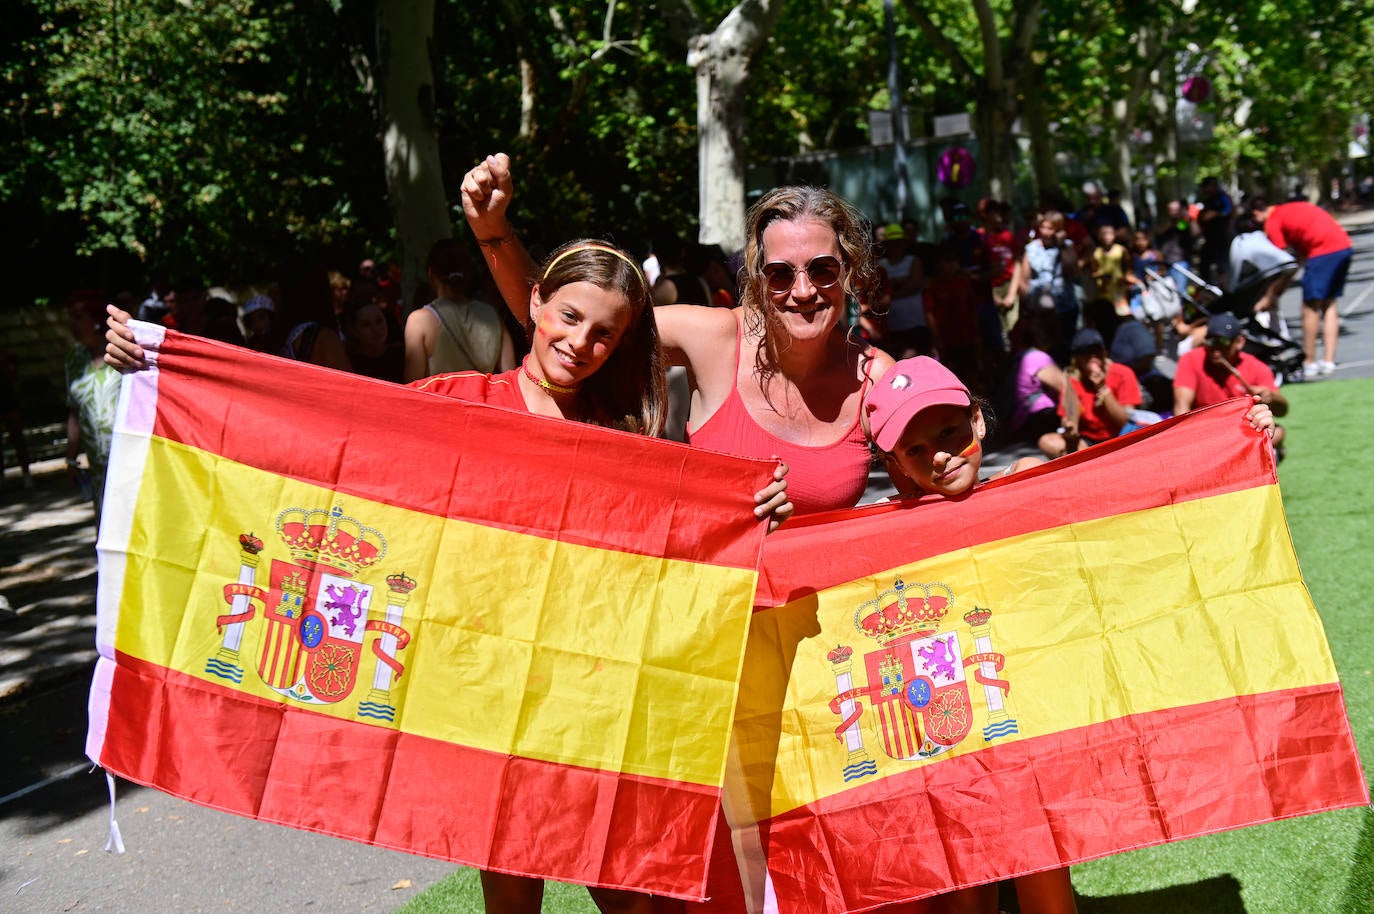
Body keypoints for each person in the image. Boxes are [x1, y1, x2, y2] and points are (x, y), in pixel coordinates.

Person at [105, 238, 792, 914]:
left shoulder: (624, 440)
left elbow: (675, 550)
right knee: (513, 892)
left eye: (605, 333)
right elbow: (331, 437)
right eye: (571, 316)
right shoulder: (452, 404)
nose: (582, 342)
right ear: (535, 303)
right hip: (481, 696)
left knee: (632, 893)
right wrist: (163, 369)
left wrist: (750, 507)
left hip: (588, 698)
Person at [462, 152, 893, 518]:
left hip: (817, 611)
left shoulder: (875, 378)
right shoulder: (715, 338)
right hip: (708, 607)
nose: (803, 292)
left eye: (822, 270)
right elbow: (569, 327)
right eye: (779, 274)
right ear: (758, 280)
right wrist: (493, 231)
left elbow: (944, 476)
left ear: (849, 271)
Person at [1248, 197, 1353, 377]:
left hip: (1323, 251)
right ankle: (1327, 361)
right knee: (1329, 304)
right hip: (1343, 246)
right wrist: (1277, 292)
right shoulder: (1289, 209)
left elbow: (1279, 263)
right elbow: (1295, 263)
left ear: (1257, 213)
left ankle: (1309, 361)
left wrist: (1269, 295)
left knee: (1310, 307)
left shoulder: (1273, 221)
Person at [403, 238, 515, 381]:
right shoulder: (492, 316)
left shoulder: (420, 320)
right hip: (483, 403)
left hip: (441, 403)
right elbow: (509, 379)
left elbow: (411, 386)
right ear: (468, 273)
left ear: (431, 273)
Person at [1173, 312, 1287, 451]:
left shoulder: (1257, 367)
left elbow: (1282, 411)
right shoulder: (1191, 360)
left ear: (1239, 342)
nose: (1216, 349)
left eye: (1224, 342)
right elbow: (1182, 407)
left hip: (1242, 433)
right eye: (1211, 341)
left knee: (1279, 432)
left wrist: (1271, 397)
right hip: (1204, 432)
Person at [66, 290, 122, 521]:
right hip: (98, 470)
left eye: (79, 317)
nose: (73, 324)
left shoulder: (120, 350)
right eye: (71, 317)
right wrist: (70, 457)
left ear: (97, 319)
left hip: (129, 461)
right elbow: (75, 411)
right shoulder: (75, 359)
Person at [1041, 328, 1141, 456]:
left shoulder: (1123, 373)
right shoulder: (1073, 381)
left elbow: (1125, 422)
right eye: (1086, 353)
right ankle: (1092, 459)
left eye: (1096, 351)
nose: (1093, 357)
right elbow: (1068, 418)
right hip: (1088, 442)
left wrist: (1102, 388)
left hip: (1120, 437)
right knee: (1046, 441)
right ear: (1077, 359)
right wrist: (1069, 427)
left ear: (1105, 352)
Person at [1016, 211, 1080, 359]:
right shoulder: (1031, 248)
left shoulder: (1067, 246)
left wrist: (1062, 245)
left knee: (1065, 349)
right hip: (1040, 311)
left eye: (1050, 228)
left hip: (1065, 308)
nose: (1045, 232)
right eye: (1043, 227)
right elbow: (1025, 278)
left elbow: (1074, 271)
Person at [1195, 177, 1235, 288]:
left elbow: (1229, 211)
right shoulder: (1207, 200)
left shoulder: (1222, 198)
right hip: (1210, 238)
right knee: (1205, 266)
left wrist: (1215, 214)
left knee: (1223, 266)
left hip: (1222, 238)